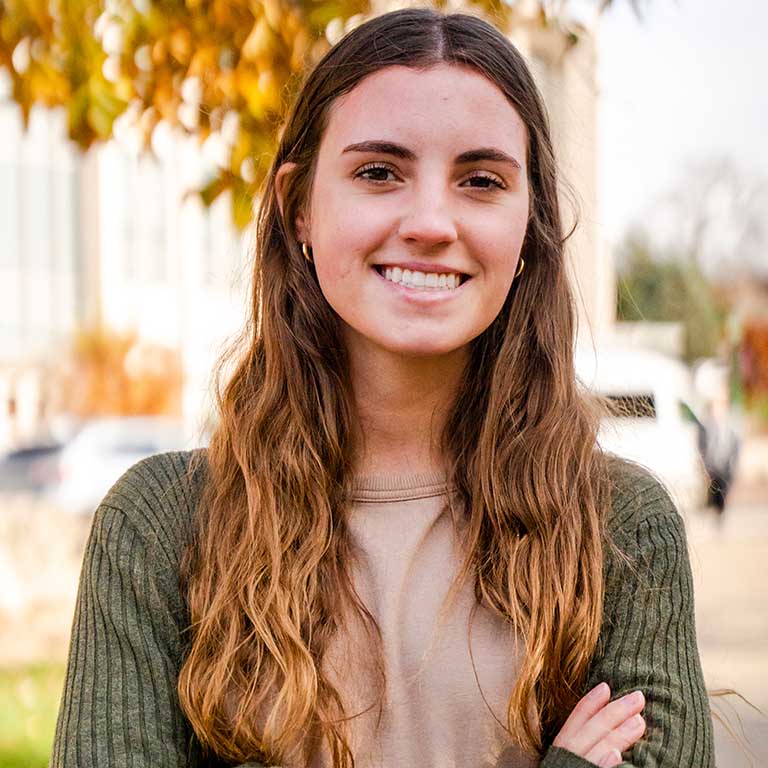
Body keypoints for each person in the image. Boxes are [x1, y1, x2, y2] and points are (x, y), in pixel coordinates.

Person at [50, 8, 714, 768]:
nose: (431, 221)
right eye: (378, 172)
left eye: (481, 180)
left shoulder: (620, 531)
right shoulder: (161, 529)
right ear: (300, 205)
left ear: (528, 222)